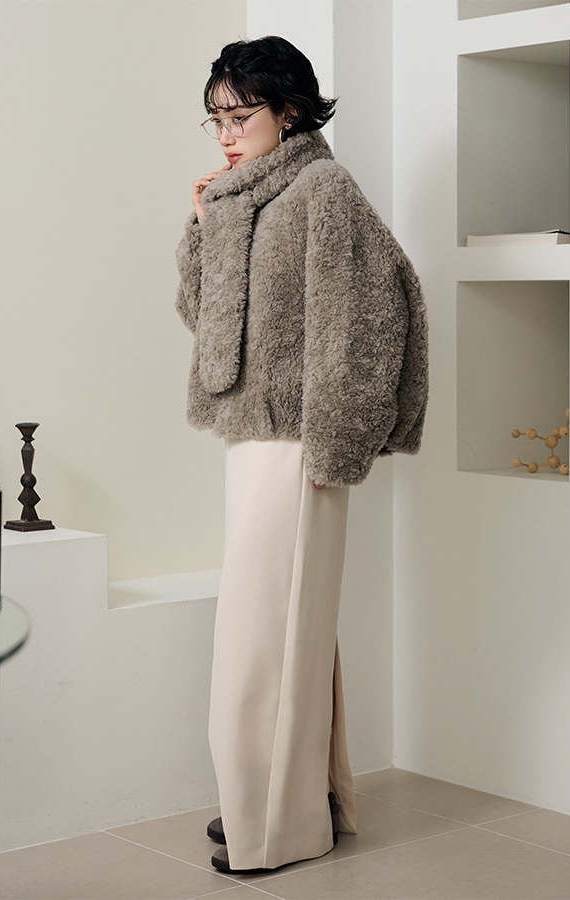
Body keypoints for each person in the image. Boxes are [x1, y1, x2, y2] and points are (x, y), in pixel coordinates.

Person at [175, 35, 428, 874]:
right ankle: (299, 800)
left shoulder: (323, 189)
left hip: (302, 442)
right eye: (215, 118)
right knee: (286, 627)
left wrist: (337, 441)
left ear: (288, 112)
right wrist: (205, 226)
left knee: (266, 639)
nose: (225, 134)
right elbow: (206, 320)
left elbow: (363, 320)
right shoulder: (243, 196)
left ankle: (273, 828)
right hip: (252, 437)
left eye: (239, 116)